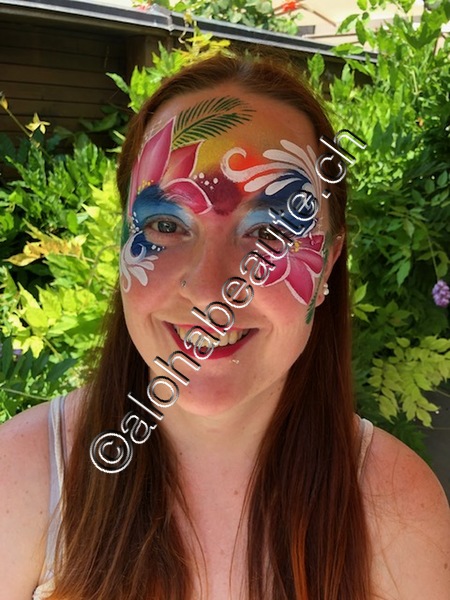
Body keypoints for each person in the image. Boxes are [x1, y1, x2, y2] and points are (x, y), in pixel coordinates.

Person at [0, 53, 448, 600]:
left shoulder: (401, 507)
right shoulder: (17, 481)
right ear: (121, 248)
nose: (212, 289)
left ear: (328, 266)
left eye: (270, 233)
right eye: (166, 225)